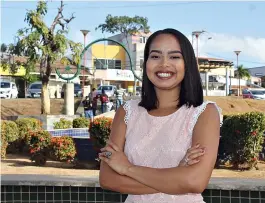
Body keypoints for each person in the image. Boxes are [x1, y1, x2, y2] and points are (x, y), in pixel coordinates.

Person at [98, 28, 222, 203]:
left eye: (174, 57)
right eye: (155, 56)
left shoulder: (204, 112)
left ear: (187, 63)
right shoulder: (127, 112)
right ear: (146, 62)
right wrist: (176, 177)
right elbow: (107, 179)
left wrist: (127, 168)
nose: (164, 64)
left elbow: (194, 182)